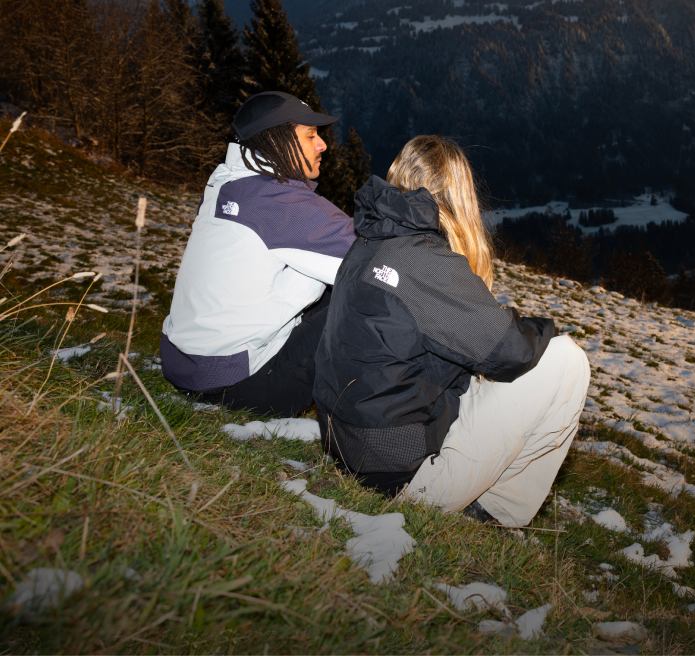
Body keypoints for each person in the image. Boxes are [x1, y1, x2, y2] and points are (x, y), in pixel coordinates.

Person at [313, 135, 590, 527]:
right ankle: (496, 513)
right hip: (402, 479)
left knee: (481, 376)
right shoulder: (421, 259)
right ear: (458, 197)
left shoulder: (369, 241)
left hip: (349, 447)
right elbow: (510, 350)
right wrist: (543, 329)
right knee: (565, 360)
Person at [161, 91, 356, 416]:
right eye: (310, 136)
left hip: (186, 366)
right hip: (237, 384)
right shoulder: (276, 203)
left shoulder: (228, 182)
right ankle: (369, 422)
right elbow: (375, 257)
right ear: (277, 140)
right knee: (367, 290)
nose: (322, 145)